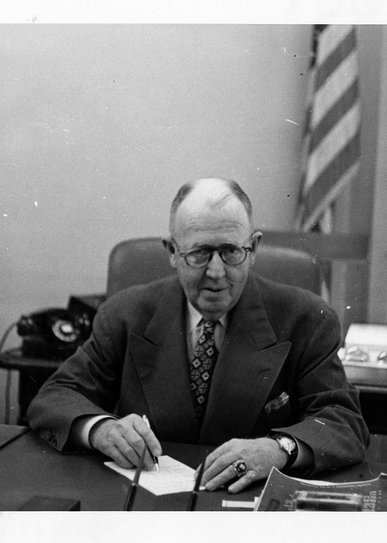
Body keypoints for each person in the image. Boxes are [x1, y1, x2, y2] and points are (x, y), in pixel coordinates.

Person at [27, 177, 369, 493]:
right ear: (172, 253)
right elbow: (54, 397)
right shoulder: (126, 313)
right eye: (199, 254)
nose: (217, 273)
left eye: (231, 252)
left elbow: (345, 423)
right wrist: (101, 429)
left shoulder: (306, 317)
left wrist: (279, 449)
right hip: (147, 504)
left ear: (254, 248)